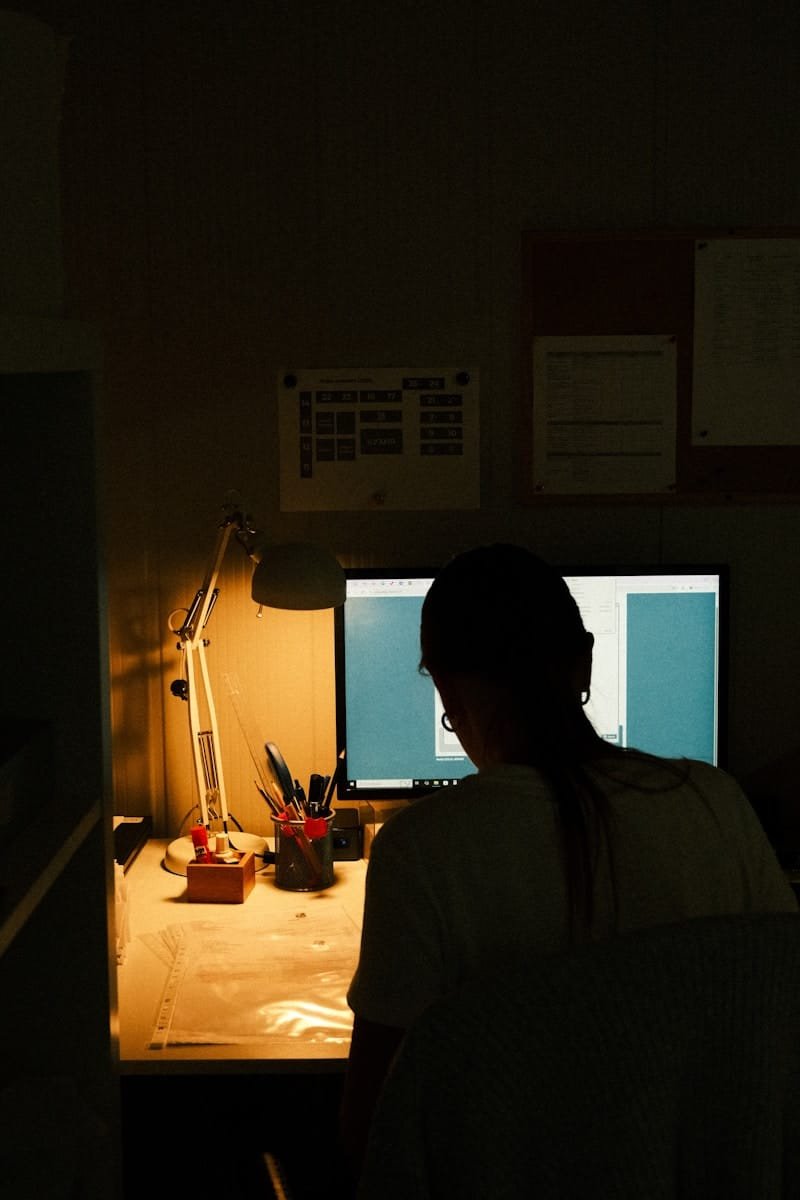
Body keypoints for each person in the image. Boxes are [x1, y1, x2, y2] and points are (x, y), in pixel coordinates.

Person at [338, 544, 797, 1185]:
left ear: (444, 687)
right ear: (583, 659)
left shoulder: (421, 850)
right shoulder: (715, 801)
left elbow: (373, 1132)